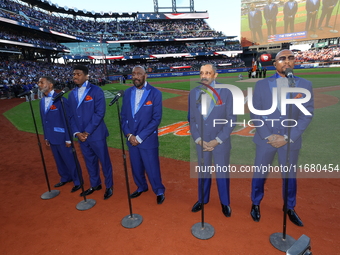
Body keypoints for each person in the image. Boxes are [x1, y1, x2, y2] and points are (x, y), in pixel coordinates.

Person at [249, 50, 314, 227]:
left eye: (290, 58)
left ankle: (290, 207)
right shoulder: (262, 84)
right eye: (282, 59)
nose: (287, 62)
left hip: (289, 142)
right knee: (260, 174)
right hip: (265, 140)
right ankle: (255, 203)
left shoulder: (305, 85)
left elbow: (306, 115)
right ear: (275, 64)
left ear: (295, 62)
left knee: (289, 177)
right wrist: (268, 135)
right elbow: (255, 112)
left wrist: (287, 137)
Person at [189, 63, 236, 217]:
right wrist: (198, 139)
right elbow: (192, 120)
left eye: (208, 73)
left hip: (220, 142)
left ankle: (225, 202)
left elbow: (231, 120)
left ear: (215, 75)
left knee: (222, 173)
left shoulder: (227, 92)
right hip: (201, 142)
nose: (204, 76)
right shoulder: (193, 92)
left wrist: (218, 140)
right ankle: (202, 199)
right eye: (202, 72)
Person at [120, 66, 165, 204]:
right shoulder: (127, 93)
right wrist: (128, 134)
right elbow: (123, 117)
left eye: (139, 73)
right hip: (131, 139)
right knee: (136, 166)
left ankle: (159, 190)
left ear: (146, 75)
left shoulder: (155, 93)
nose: (135, 76)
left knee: (152, 167)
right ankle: (141, 187)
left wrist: (139, 137)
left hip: (147, 139)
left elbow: (156, 119)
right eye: (133, 74)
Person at [68, 65, 113, 200]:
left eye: (78, 74)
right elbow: (70, 116)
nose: (75, 76)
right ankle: (95, 185)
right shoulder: (71, 94)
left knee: (104, 161)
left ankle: (109, 186)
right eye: (74, 74)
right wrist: (77, 133)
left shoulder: (96, 91)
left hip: (96, 135)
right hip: (81, 137)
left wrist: (86, 132)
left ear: (86, 76)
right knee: (89, 162)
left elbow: (99, 113)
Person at [38, 76, 81, 192]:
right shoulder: (42, 101)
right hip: (51, 136)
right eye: (39, 82)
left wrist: (68, 138)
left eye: (42, 82)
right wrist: (46, 136)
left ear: (50, 84)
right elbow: (44, 120)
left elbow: (68, 119)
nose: (39, 84)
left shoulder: (61, 100)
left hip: (63, 137)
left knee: (70, 159)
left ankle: (78, 180)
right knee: (58, 159)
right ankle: (65, 177)